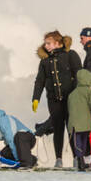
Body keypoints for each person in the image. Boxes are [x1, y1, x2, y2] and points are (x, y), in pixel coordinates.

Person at [32, 31, 82, 167]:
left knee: (72, 128)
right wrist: (35, 98)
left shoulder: (71, 55)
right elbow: (39, 81)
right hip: (53, 100)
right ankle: (58, 159)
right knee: (58, 128)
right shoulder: (45, 61)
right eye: (45, 43)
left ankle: (76, 158)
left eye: (49, 43)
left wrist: (78, 94)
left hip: (70, 99)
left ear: (58, 43)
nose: (46, 45)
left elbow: (79, 75)